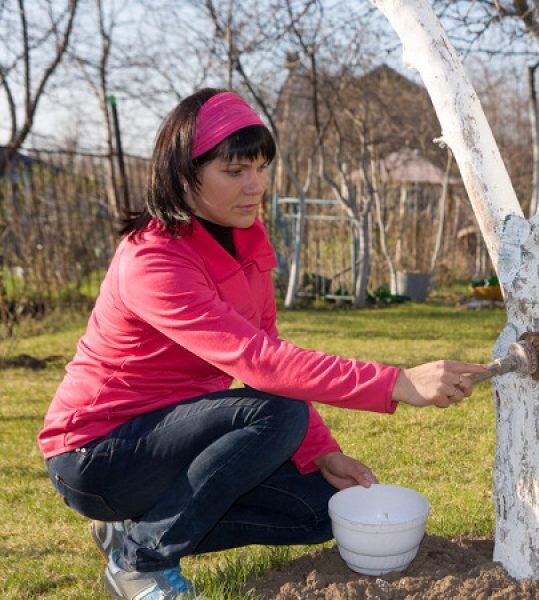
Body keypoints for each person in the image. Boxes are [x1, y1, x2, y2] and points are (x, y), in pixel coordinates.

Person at [38, 88, 486, 600]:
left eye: (260, 166)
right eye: (235, 171)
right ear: (183, 174)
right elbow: (258, 362)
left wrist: (321, 452)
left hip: (176, 438)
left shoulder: (247, 241)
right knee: (274, 413)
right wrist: (397, 382)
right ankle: (142, 562)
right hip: (96, 454)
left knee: (320, 510)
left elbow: (268, 348)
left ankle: (130, 535)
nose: (256, 185)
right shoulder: (153, 260)